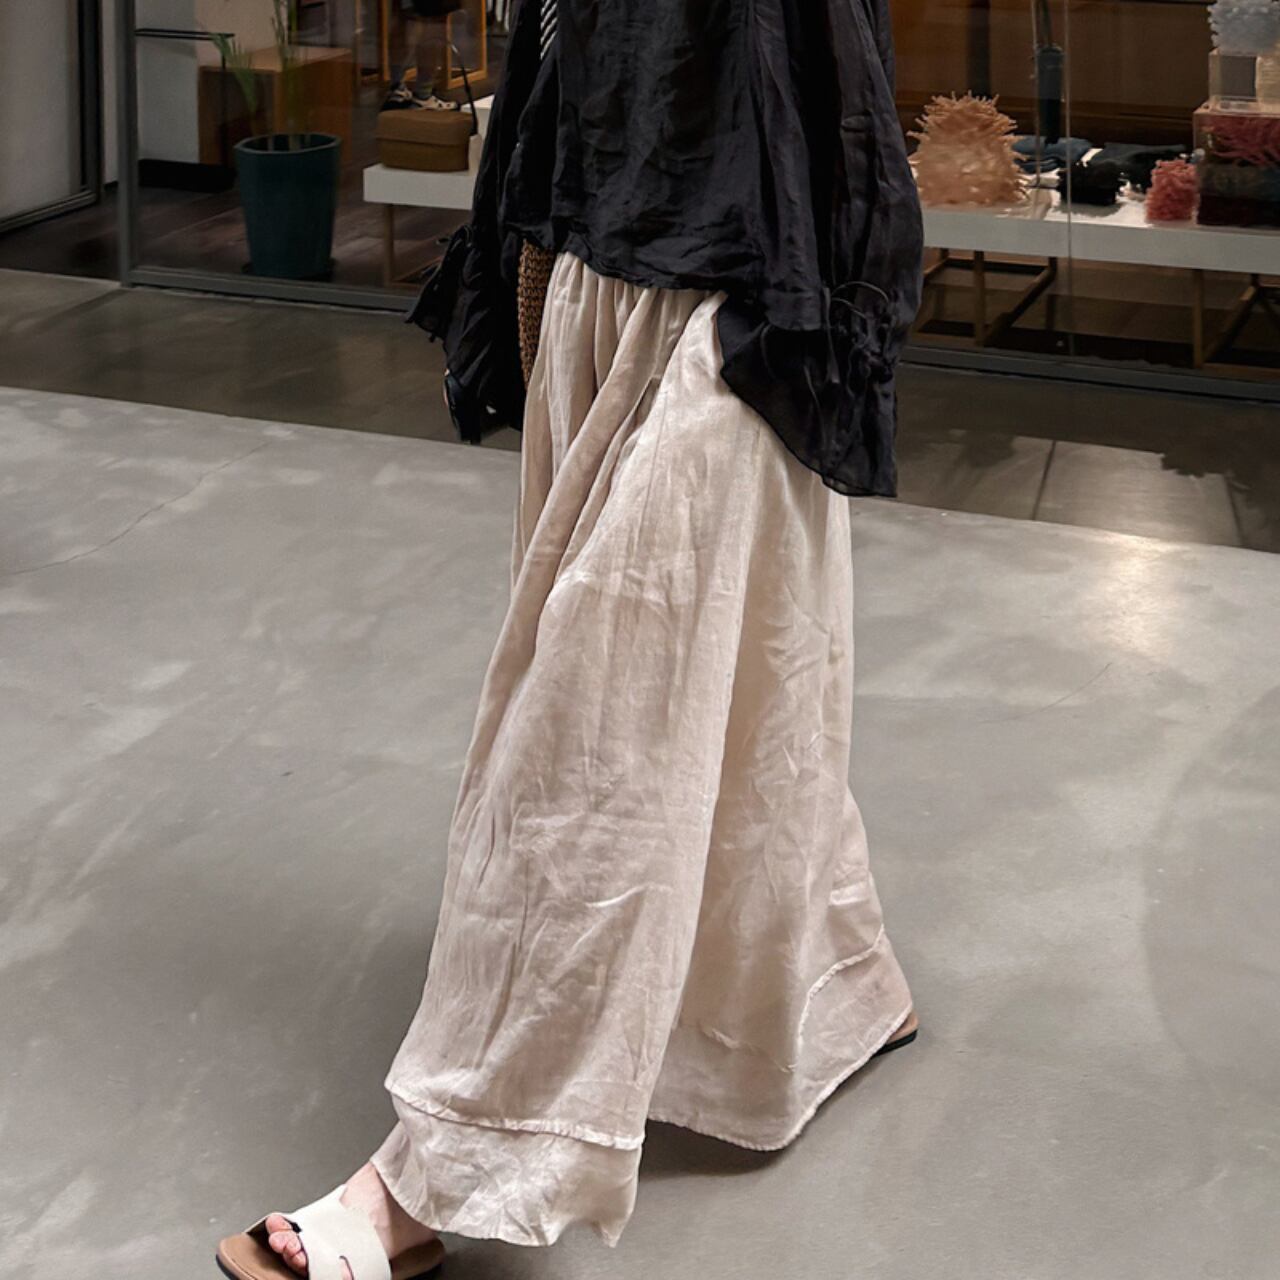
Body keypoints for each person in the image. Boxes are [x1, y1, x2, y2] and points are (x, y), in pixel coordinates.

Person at [216, 0, 923, 1274]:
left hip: (736, 296)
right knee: (742, 685)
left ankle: (451, 1155)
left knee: (597, 723)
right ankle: (833, 982)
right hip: (596, 257)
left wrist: (819, 312)